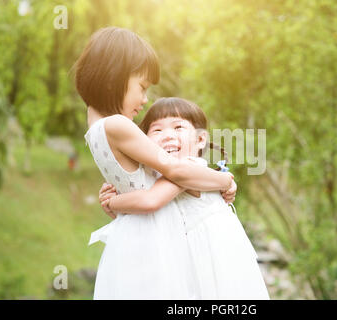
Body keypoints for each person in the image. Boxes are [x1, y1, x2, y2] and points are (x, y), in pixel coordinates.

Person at [75, 27, 236, 299]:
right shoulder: (117, 125)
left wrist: (114, 202)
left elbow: (137, 184)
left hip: (135, 234)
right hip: (155, 239)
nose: (145, 100)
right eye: (142, 87)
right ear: (115, 78)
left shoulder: (95, 128)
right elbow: (174, 170)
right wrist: (224, 179)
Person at [99, 97, 269, 299]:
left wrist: (112, 203)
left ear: (200, 140)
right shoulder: (158, 178)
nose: (168, 136)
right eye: (157, 130)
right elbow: (151, 223)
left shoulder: (188, 169)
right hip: (189, 260)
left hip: (213, 261)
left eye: (178, 127)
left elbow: (150, 201)